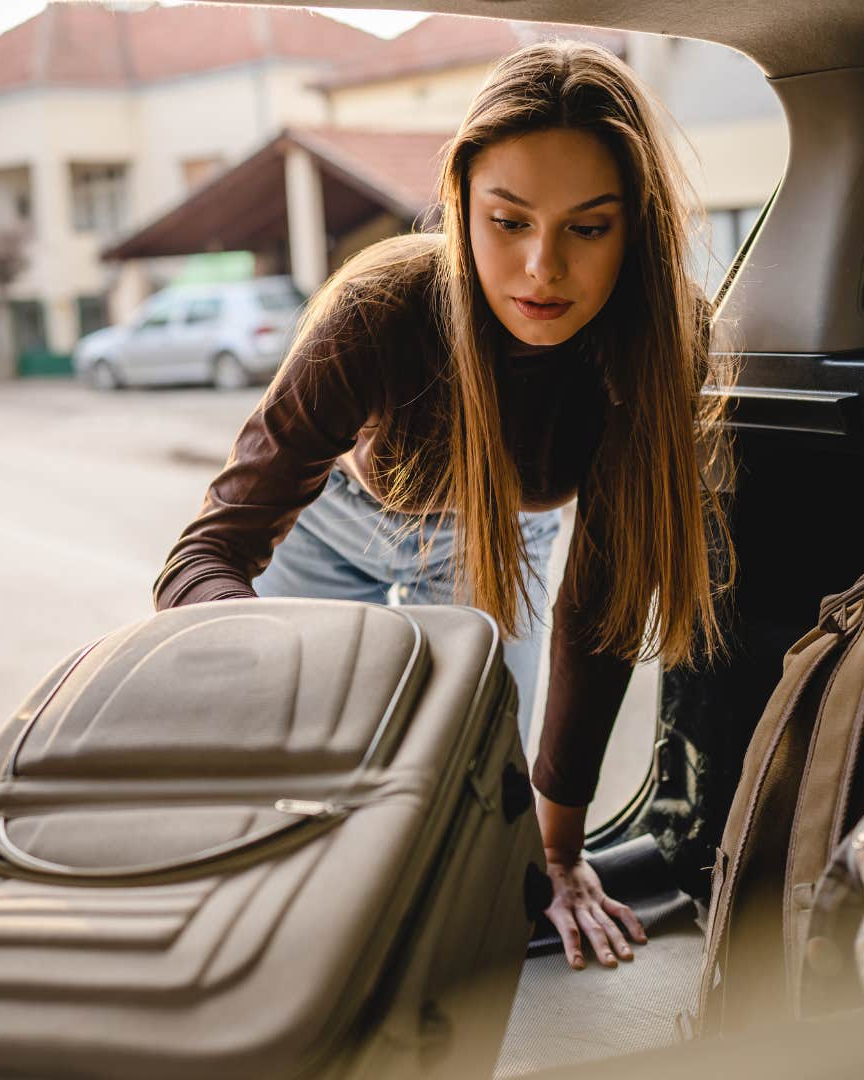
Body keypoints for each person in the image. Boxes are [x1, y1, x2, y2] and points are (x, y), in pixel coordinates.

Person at [153, 41, 736, 972]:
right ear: (462, 203)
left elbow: (604, 598)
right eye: (508, 220)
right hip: (330, 522)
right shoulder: (381, 307)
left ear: (636, 230)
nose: (541, 267)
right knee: (307, 767)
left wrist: (557, 849)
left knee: (480, 787)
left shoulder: (667, 335)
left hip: (497, 540)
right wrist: (263, 682)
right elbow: (206, 553)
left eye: (588, 229)